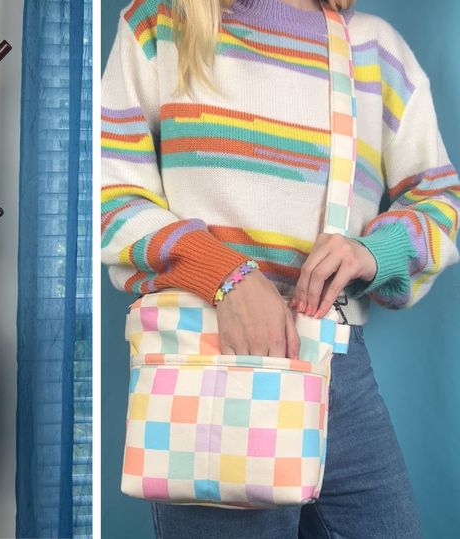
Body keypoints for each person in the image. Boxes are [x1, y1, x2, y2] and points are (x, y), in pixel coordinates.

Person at [101, 0, 460, 536]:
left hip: (339, 372)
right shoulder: (159, 25)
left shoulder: (376, 50)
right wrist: (227, 277)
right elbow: (111, 198)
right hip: (207, 370)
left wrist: (373, 252)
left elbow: (440, 201)